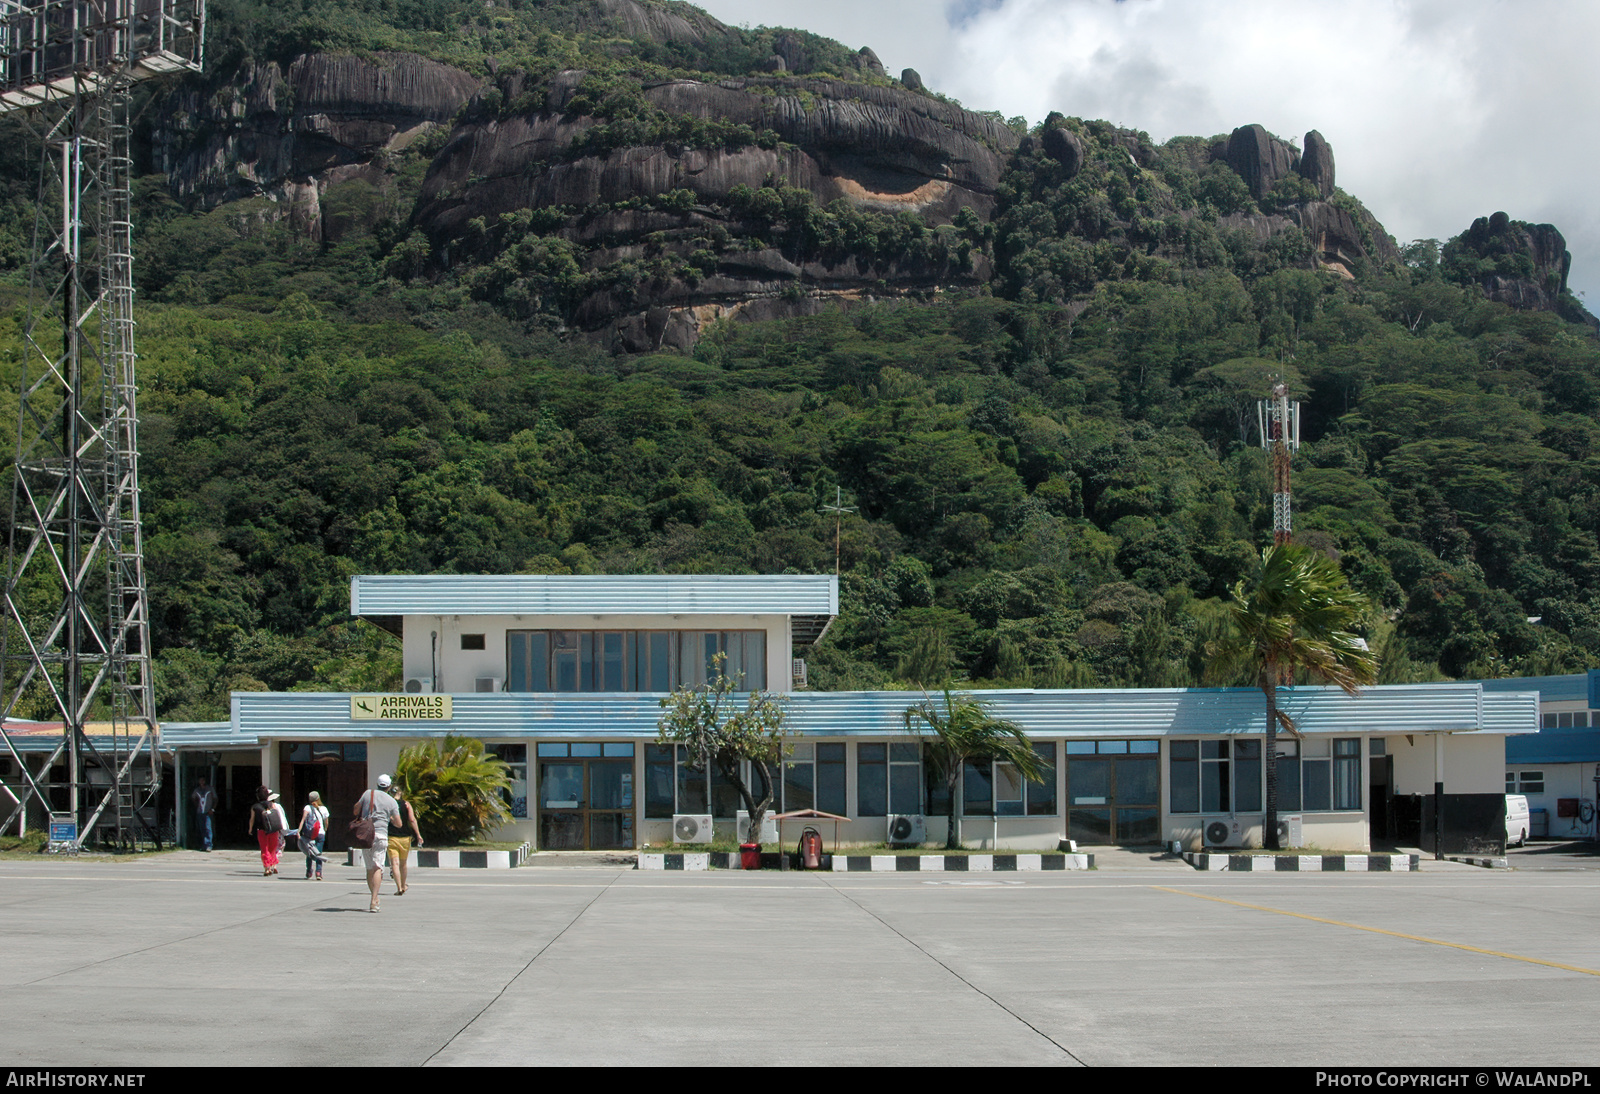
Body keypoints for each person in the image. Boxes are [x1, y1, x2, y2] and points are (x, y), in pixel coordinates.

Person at [354, 774, 402, 912]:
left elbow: (355, 810)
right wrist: (391, 819)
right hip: (380, 835)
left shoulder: (368, 793)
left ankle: (374, 897)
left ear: (377, 784)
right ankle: (374, 900)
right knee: (377, 868)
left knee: (370, 868)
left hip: (366, 835)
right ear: (389, 786)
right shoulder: (392, 801)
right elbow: (399, 824)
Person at [386, 785, 424, 895]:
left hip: (391, 837)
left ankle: (399, 888)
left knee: (394, 863)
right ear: (401, 792)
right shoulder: (407, 804)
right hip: (405, 838)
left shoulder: (389, 804)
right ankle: (403, 885)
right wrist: (418, 834)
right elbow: (412, 820)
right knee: (403, 864)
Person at [247, 786, 282, 876]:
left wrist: (250, 828)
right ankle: (273, 865)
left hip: (262, 830)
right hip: (273, 830)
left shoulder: (255, 807)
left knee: (264, 849)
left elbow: (252, 819)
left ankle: (267, 868)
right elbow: (276, 816)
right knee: (272, 848)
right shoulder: (271, 805)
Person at [299, 790, 330, 880]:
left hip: (310, 834)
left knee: (309, 853)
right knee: (318, 853)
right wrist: (325, 829)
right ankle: (318, 872)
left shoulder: (307, 808)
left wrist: (299, 831)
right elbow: (326, 822)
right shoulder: (323, 809)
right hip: (320, 833)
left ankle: (309, 871)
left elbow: (303, 820)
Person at [190, 776, 216, 852]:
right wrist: (196, 805)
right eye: (200, 780)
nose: (202, 782)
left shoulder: (210, 789)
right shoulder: (197, 790)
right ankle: (204, 845)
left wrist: (212, 809)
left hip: (208, 812)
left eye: (203, 780)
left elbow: (215, 799)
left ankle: (209, 845)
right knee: (202, 829)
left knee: (208, 828)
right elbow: (193, 798)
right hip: (200, 812)